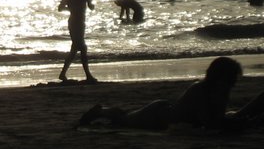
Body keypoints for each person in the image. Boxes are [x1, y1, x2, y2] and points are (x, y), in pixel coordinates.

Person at [78, 56, 243, 130]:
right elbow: (209, 122)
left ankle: (104, 112)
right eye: (233, 77)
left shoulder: (222, 90)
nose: (235, 81)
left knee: (125, 117)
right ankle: (100, 111)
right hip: (157, 116)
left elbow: (215, 119)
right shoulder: (200, 90)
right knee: (123, 119)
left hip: (165, 112)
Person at [58, 0, 97, 83]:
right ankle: (88, 76)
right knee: (82, 48)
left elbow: (60, 8)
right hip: (78, 22)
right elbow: (90, 6)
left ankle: (62, 74)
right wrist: (90, 6)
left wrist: (71, 9)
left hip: (74, 22)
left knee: (74, 50)